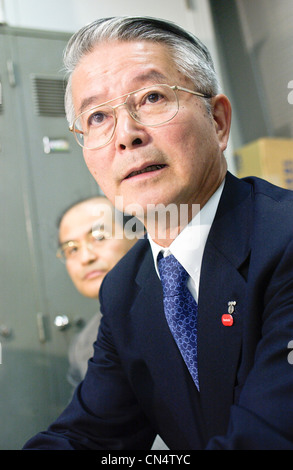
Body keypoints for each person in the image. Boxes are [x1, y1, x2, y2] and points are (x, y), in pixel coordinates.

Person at [23, 16, 293, 450]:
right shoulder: (125, 289)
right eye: (97, 117)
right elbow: (87, 434)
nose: (126, 136)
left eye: (151, 98)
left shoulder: (284, 239)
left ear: (219, 122)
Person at [56, 196, 138, 387]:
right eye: (72, 249)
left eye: (99, 237)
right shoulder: (83, 345)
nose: (86, 257)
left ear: (139, 234)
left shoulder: (178, 312)